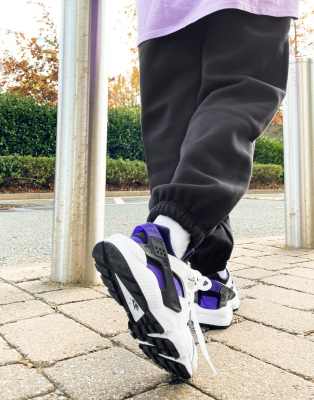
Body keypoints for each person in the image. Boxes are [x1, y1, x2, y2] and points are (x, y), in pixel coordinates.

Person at [93, 1, 299, 379]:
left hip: (161, 14)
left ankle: (209, 279)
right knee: (241, 91)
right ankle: (163, 248)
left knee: (175, 134)